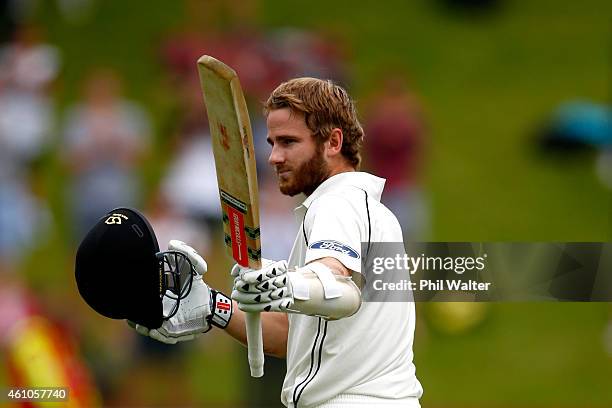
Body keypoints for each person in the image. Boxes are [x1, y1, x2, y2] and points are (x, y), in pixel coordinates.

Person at [131, 78, 423, 407]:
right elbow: (293, 337)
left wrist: (287, 285)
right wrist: (215, 307)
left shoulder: (336, 204)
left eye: (288, 142)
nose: (273, 157)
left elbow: (340, 290)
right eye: (272, 143)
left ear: (333, 142)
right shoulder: (373, 213)